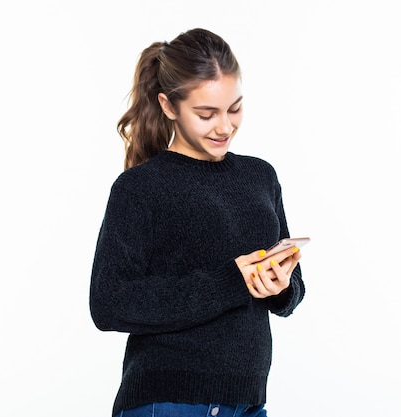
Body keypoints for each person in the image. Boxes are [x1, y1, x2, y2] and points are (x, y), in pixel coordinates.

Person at [90, 28, 305, 417]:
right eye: (206, 114)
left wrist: (281, 286)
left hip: (248, 400)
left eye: (234, 108)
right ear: (169, 106)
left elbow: (290, 291)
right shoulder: (140, 188)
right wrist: (231, 282)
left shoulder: (260, 176)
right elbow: (109, 303)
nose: (224, 127)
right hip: (169, 401)